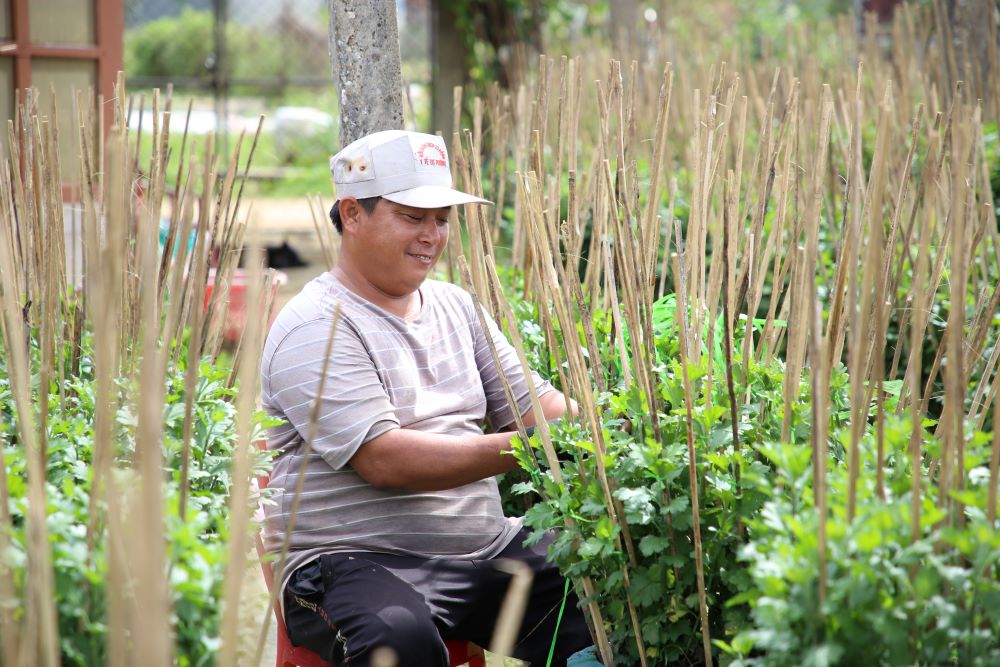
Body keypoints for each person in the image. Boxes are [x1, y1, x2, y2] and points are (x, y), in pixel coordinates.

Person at [260, 129, 604, 667]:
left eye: (442, 219)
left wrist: (612, 428)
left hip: (486, 550)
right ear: (352, 213)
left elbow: (535, 405)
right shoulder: (313, 327)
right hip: (354, 561)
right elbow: (386, 460)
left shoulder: (455, 306)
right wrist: (535, 447)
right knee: (400, 642)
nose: (432, 235)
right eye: (413, 217)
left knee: (606, 597)